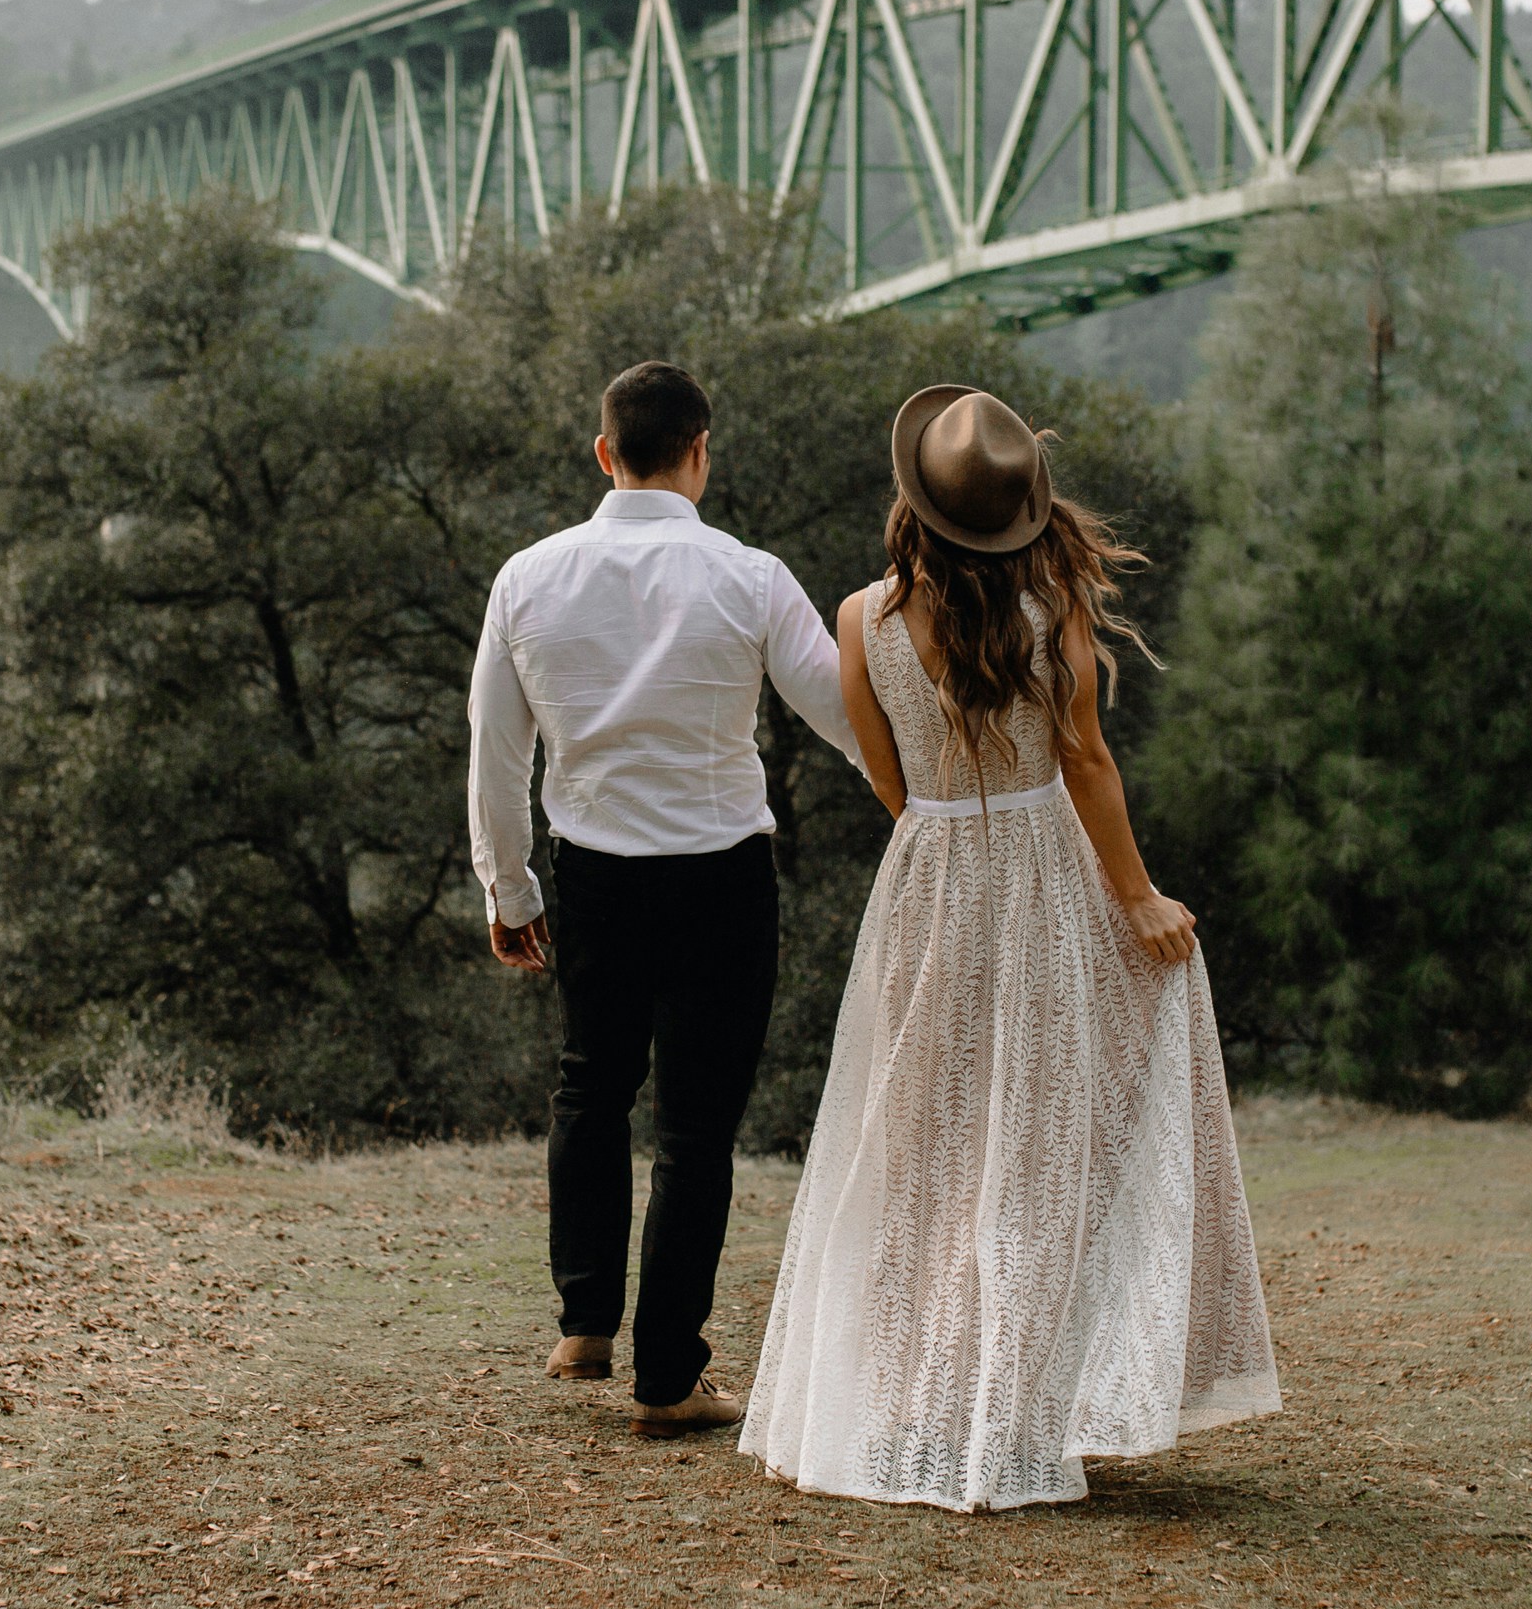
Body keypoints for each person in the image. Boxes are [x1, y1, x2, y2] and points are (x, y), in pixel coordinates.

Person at [739, 385, 1278, 1511]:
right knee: (1037, 1145)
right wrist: (1136, 900)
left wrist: (945, 838)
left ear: (913, 507)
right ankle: (1017, 1410)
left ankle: (910, 1407)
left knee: (919, 1145)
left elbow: (884, 772)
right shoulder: (1052, 610)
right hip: (1041, 873)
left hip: (927, 878)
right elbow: (1084, 761)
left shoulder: (861, 620)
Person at [468, 360, 865, 1438]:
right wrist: (939, 802)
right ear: (702, 451)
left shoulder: (528, 577)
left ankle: (584, 1324)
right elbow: (842, 715)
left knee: (590, 1087)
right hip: (720, 877)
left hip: (592, 873)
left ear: (605, 453)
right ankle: (668, 1381)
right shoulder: (751, 576)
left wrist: (510, 887)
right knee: (695, 1130)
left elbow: (497, 756)